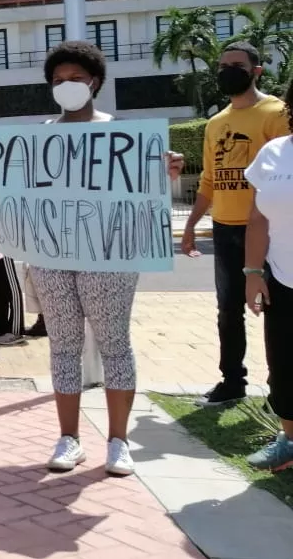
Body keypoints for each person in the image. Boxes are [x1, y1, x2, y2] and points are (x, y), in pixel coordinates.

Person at [31, 42, 183, 476]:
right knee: (62, 345)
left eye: (75, 79)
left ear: (95, 82)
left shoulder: (123, 136)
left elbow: (140, 185)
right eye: (59, 81)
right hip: (51, 254)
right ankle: (69, 439)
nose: (66, 86)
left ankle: (118, 442)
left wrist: (165, 168)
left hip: (110, 255)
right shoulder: (39, 135)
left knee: (114, 344)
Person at [182, 43, 287, 407]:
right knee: (228, 310)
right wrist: (192, 223)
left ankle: (280, 390)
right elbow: (209, 180)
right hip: (225, 229)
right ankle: (232, 380)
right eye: (223, 65)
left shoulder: (275, 113)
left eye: (237, 65)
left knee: (278, 312)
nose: (228, 70)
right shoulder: (216, 123)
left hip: (268, 231)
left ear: (256, 70)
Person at [243, 81, 293, 473]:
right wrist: (253, 273)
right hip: (281, 279)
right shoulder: (275, 153)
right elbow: (258, 216)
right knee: (285, 365)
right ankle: (289, 441)